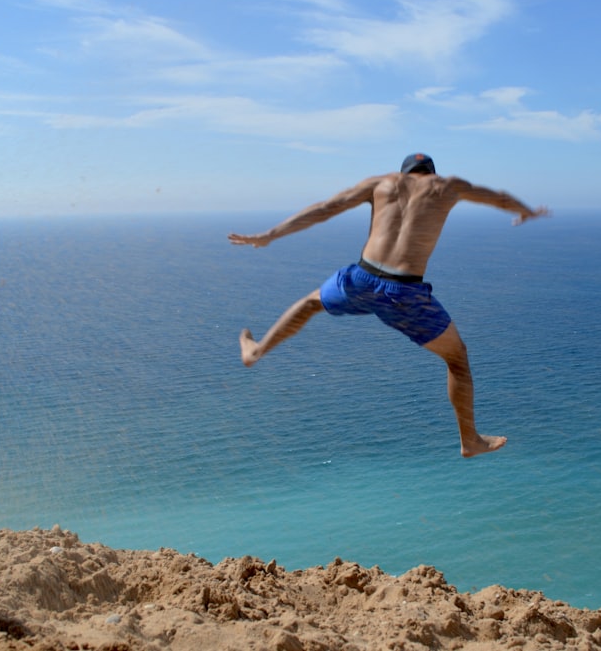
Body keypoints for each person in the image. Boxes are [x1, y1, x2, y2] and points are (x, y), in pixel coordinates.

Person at [228, 153, 550, 458]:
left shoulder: (382, 183)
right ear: (432, 175)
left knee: (309, 304)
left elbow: (325, 208)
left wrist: (269, 235)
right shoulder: (448, 186)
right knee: (457, 360)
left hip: (361, 280)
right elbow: (500, 197)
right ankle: (470, 440)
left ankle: (256, 351)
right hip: (405, 293)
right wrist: (527, 211)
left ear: (403, 173)